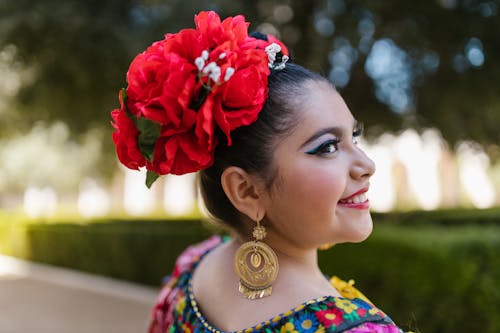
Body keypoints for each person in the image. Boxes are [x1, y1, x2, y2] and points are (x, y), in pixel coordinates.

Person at [111, 11, 409, 333]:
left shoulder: (193, 266)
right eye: (327, 147)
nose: (368, 166)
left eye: (355, 137)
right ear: (246, 190)